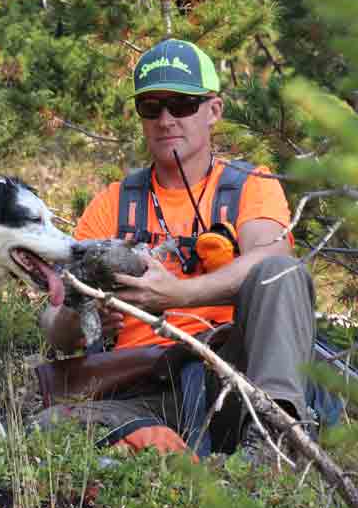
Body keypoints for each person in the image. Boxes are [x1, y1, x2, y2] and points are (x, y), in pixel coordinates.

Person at [35, 38, 316, 459]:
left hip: (233, 378)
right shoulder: (111, 204)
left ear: (213, 111)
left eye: (182, 104)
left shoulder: (251, 187)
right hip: (144, 387)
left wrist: (178, 295)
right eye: (151, 107)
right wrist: (86, 311)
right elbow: (53, 322)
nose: (166, 119)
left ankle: (274, 442)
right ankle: (182, 470)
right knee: (49, 429)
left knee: (284, 274)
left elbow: (275, 259)